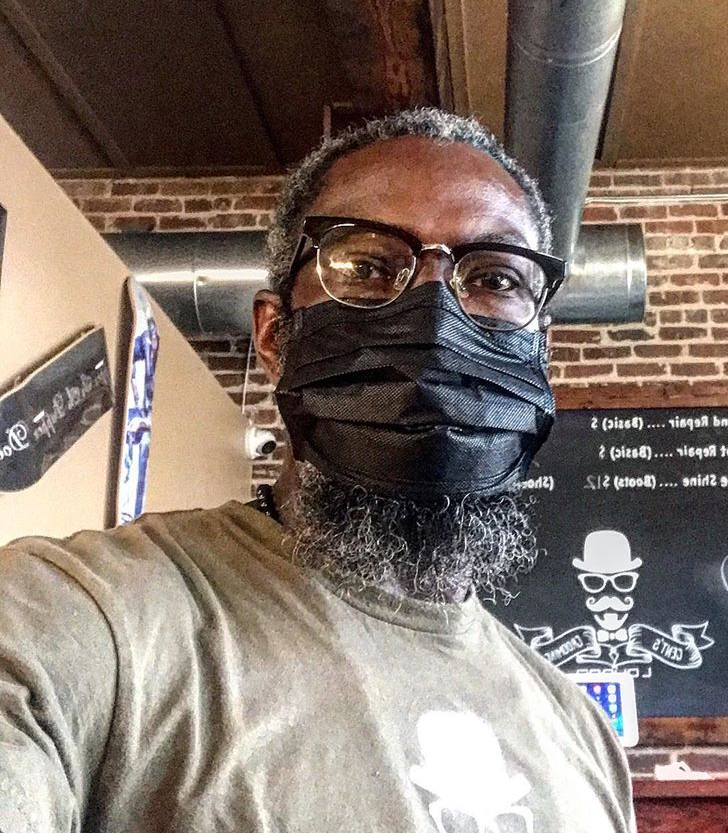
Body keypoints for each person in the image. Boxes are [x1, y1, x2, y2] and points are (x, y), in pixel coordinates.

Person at [0, 109, 635, 832]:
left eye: (494, 278)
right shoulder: (85, 616)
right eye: (366, 267)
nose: (437, 321)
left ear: (540, 347)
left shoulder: (583, 737)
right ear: (275, 337)